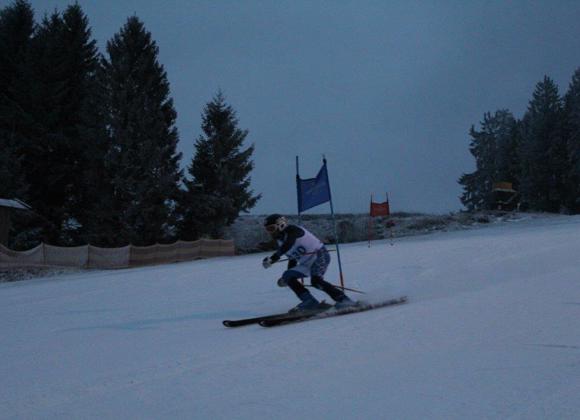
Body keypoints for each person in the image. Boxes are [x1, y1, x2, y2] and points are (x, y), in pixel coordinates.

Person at [261, 214, 356, 312]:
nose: (270, 233)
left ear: (281, 225)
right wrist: (287, 279)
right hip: (306, 263)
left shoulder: (294, 230)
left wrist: (273, 258)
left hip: (319, 256)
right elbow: (292, 259)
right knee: (287, 275)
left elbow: (289, 243)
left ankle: (344, 300)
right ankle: (309, 302)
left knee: (316, 281)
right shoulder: (280, 241)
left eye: (272, 229)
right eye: (267, 230)